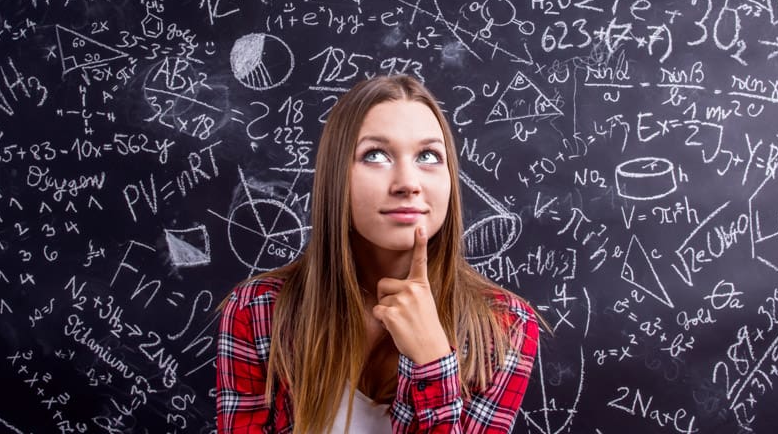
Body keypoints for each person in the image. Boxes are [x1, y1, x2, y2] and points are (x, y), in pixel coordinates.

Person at [215, 74, 550, 433]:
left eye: (428, 155)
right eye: (375, 155)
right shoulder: (258, 312)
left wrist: (433, 364)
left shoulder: (503, 327)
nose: (408, 183)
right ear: (336, 176)